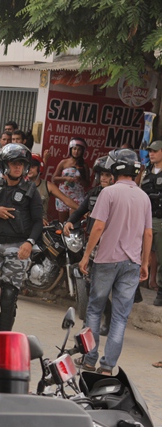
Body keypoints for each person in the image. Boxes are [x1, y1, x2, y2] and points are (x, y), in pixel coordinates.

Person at [76, 149, 151, 375]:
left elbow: (98, 227)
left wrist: (86, 255)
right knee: (120, 316)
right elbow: (148, 233)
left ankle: (89, 359)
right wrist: (144, 263)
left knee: (94, 309)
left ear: (115, 169)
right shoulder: (144, 197)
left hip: (107, 260)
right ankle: (108, 367)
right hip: (132, 263)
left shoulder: (108, 193)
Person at [0, 143, 43, 350]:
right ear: (5, 165)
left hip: (19, 245)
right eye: (13, 163)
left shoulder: (31, 191)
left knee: (9, 295)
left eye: (21, 163)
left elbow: (38, 222)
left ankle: (1, 339)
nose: (18, 167)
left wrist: (29, 243)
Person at [63, 155, 113, 337]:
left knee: (102, 287)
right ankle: (90, 322)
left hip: (109, 247)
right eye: (102, 175)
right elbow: (80, 210)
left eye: (108, 175)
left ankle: (108, 318)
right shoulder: (93, 193)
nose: (104, 179)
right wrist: (70, 221)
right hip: (92, 245)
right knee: (89, 284)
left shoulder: (116, 195)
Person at [139, 140, 162, 308]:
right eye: (150, 151)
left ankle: (160, 291)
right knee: (138, 254)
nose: (151, 154)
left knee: (160, 256)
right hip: (144, 219)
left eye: (155, 151)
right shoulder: (146, 172)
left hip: (160, 220)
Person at [27, 153, 78, 224]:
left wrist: (83, 211)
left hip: (41, 225)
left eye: (32, 167)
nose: (29, 169)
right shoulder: (20, 184)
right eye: (27, 166)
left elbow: (66, 200)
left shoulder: (48, 185)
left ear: (39, 168)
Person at [53, 138, 89, 223]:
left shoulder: (84, 165)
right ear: (70, 150)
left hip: (77, 196)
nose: (76, 151)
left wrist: (80, 179)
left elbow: (87, 183)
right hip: (63, 195)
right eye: (74, 149)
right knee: (62, 222)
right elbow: (54, 178)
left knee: (73, 222)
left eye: (79, 149)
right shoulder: (64, 162)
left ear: (82, 151)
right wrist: (66, 178)